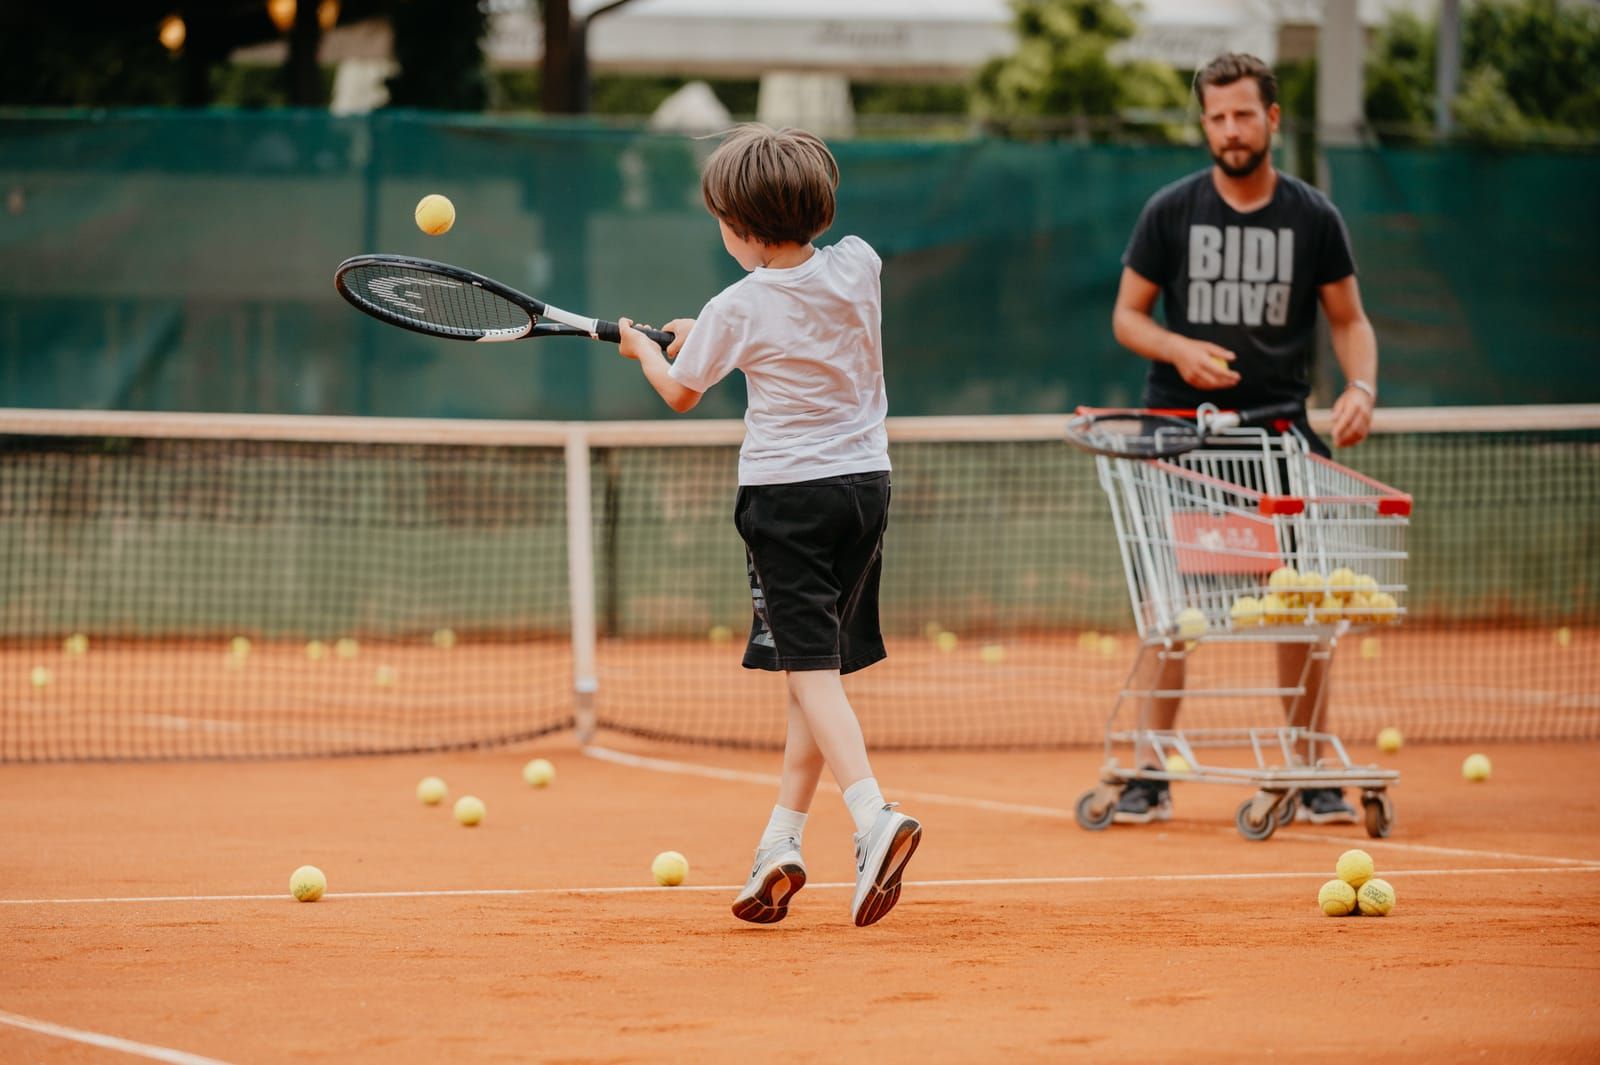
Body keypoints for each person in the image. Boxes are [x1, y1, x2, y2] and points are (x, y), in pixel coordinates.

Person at [616, 124, 922, 926]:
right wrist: (702, 335)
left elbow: (681, 389)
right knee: (810, 669)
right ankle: (779, 843)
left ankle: (871, 817)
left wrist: (643, 351)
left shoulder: (735, 305)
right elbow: (774, 325)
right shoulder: (859, 264)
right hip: (866, 488)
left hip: (787, 500)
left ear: (741, 229)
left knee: (810, 672)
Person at [1109, 53, 1379, 826]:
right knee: (1171, 605)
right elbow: (1128, 317)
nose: (1230, 130)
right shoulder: (1170, 210)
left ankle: (1306, 764)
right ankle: (1148, 771)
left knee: (1303, 602)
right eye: (1217, 117)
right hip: (1182, 435)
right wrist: (1178, 350)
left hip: (1280, 435)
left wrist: (1361, 389)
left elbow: (1350, 321)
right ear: (1205, 124)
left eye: (1243, 114)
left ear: (1273, 119)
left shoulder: (1313, 217)